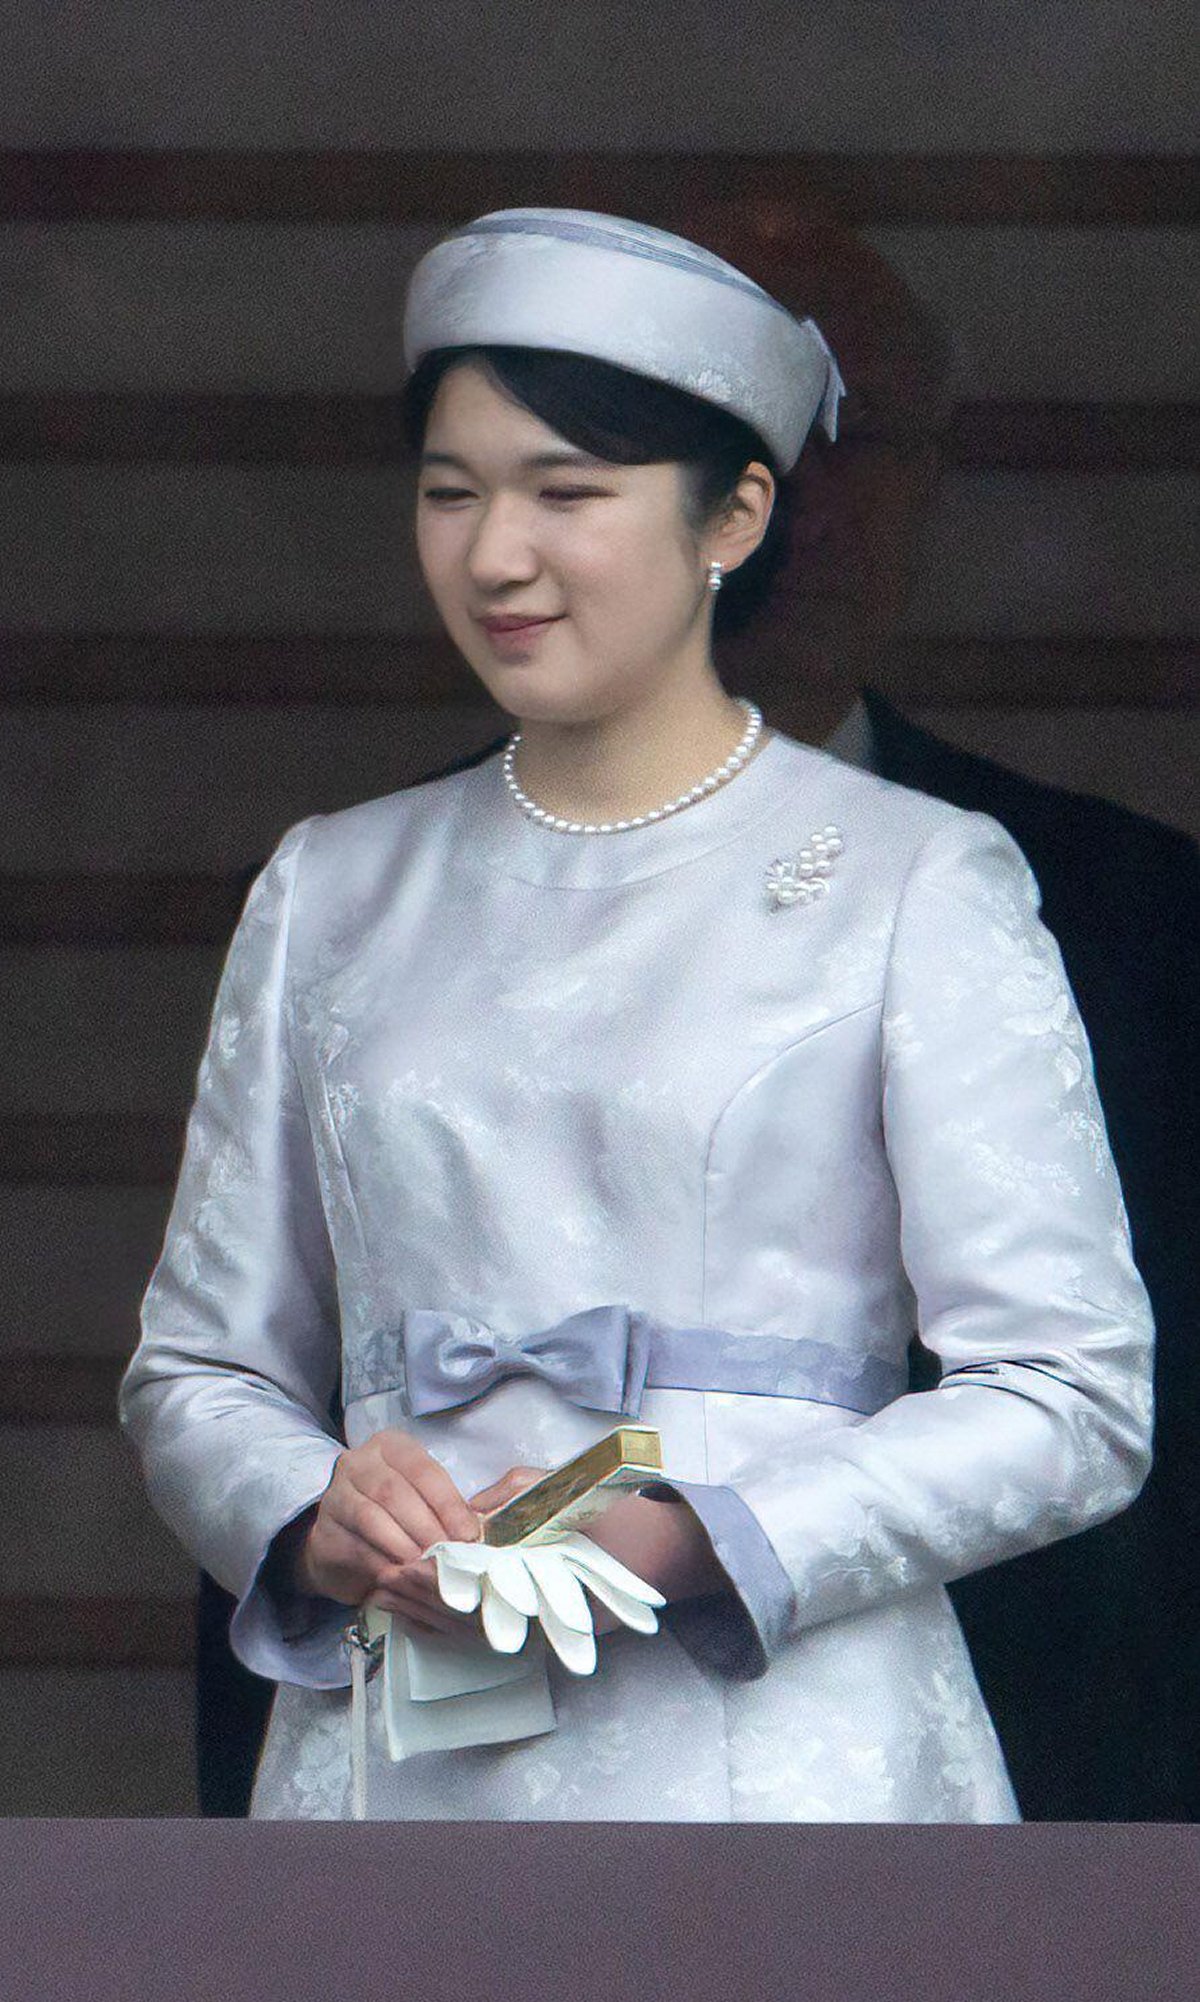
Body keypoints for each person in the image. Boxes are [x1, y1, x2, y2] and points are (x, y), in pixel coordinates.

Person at [121, 208, 1154, 1821]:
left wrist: (706, 1532)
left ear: (736, 513)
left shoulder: (917, 876)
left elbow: (1074, 1392)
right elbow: (196, 1365)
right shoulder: (334, 887)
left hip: (797, 1753)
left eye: (566, 494)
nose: (492, 555)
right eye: (450, 491)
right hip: (403, 1761)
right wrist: (317, 1506)